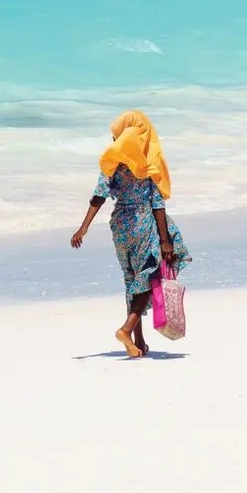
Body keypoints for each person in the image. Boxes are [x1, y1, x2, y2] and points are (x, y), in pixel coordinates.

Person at [70, 111, 191, 357]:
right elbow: (157, 202)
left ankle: (139, 342)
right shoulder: (147, 160)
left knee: (131, 279)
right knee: (150, 274)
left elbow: (99, 195)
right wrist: (165, 240)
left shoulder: (112, 160)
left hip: (120, 225)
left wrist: (83, 228)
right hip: (143, 221)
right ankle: (126, 330)